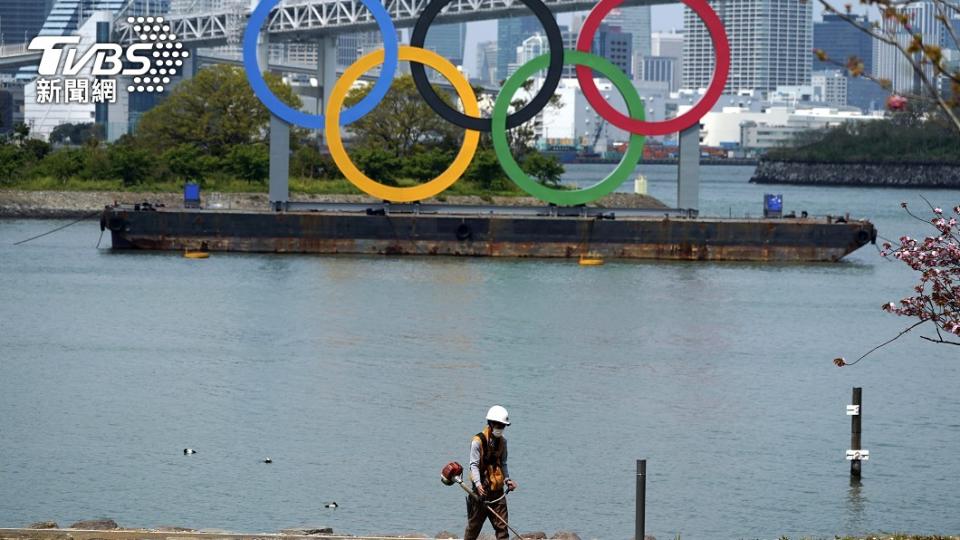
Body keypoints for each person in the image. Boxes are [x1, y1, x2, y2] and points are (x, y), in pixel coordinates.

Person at [464, 405, 518, 540]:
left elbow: (503, 464)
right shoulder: (477, 441)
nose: (500, 428)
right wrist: (478, 484)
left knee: (502, 528)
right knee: (473, 528)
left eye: (503, 426)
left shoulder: (503, 442)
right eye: (498, 425)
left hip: (498, 492)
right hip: (481, 492)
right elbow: (474, 465)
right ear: (490, 423)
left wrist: (507, 480)